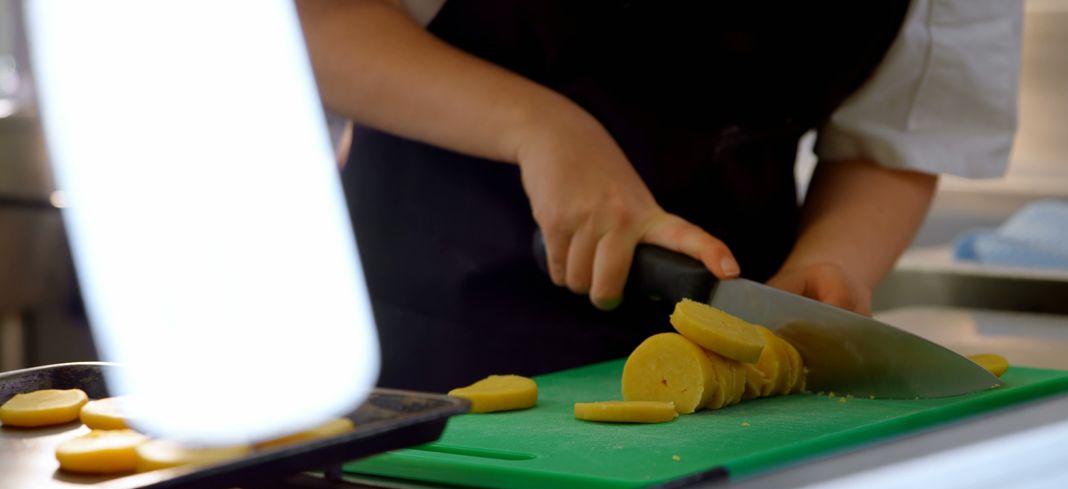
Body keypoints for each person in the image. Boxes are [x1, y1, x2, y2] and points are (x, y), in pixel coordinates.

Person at [296, 0, 1022, 392]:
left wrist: (835, 264)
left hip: (741, 345)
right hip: (437, 346)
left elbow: (899, 132)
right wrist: (539, 128)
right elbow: (314, 22)